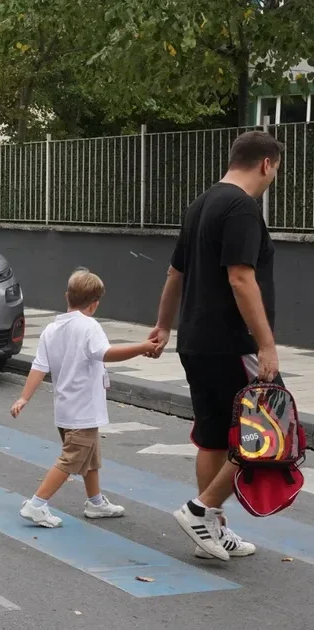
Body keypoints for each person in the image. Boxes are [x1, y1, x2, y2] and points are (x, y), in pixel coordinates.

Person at [147, 130, 284, 561]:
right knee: (270, 433)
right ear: (266, 164)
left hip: (195, 340)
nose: (273, 177)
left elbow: (175, 274)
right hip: (232, 343)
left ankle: (210, 528)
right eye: (276, 170)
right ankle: (201, 509)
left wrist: (163, 326)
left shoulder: (201, 203)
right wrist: (266, 345)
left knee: (213, 438)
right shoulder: (242, 207)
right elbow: (241, 277)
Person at [11, 269, 159, 528]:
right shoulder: (89, 326)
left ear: (67, 296)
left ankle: (96, 502)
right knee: (71, 460)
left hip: (66, 410)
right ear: (95, 304)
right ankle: (37, 504)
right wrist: (142, 348)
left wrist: (24, 397)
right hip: (83, 410)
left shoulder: (51, 329)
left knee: (90, 457)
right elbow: (106, 354)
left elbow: (39, 366)